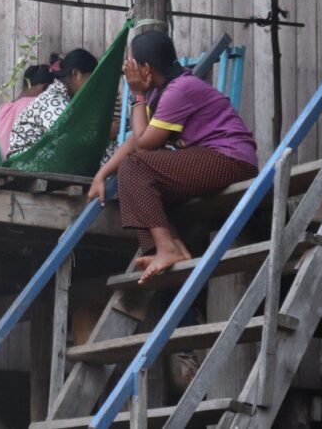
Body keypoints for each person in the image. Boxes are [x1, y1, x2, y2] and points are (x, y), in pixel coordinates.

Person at [88, 31, 258, 284]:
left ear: (145, 68)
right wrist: (102, 174)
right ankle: (168, 248)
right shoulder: (162, 93)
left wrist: (137, 96)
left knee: (135, 168)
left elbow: (144, 146)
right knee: (133, 184)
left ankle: (167, 248)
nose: (129, 71)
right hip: (209, 158)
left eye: (132, 64)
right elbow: (137, 139)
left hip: (230, 159)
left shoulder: (181, 89)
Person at [9, 49, 98, 156]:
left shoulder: (65, 98)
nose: (93, 86)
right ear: (76, 74)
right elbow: (67, 139)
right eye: (90, 78)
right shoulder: (53, 100)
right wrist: (103, 133)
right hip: (25, 162)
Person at [0, 63, 53, 157]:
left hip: (7, 168)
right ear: (45, 87)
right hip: (30, 166)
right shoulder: (37, 105)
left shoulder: (2, 110)